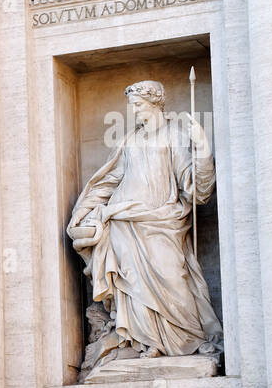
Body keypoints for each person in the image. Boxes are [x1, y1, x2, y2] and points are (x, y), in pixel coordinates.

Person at [67, 80, 221, 367]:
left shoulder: (174, 136)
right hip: (125, 221)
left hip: (163, 221)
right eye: (133, 107)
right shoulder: (130, 140)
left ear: (156, 104)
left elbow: (196, 187)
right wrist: (84, 210)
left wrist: (201, 147)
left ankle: (186, 339)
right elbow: (110, 180)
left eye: (139, 106)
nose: (135, 112)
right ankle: (146, 341)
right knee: (132, 283)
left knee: (172, 277)